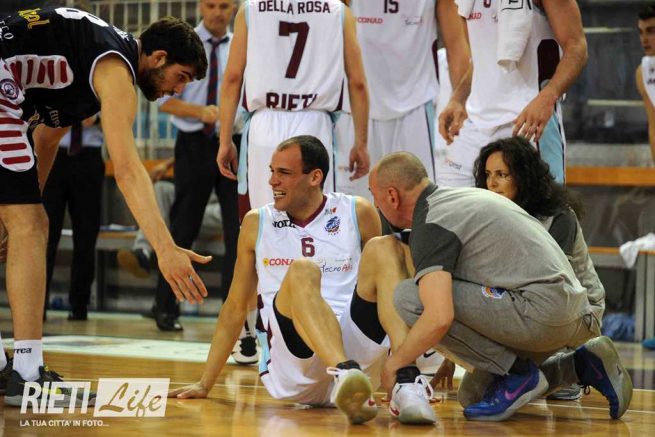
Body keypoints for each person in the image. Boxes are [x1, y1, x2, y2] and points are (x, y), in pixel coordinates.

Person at [0, 7, 209, 407]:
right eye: (180, 77)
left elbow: (47, 138)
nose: (178, 90)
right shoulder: (115, 70)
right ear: (159, 58)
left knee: (25, 220)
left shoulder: (87, 59)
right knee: (31, 224)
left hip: (7, 88)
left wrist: (23, 203)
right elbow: (128, 169)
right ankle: (27, 374)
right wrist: (164, 248)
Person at [170, 136, 439, 425]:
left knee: (386, 247)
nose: (272, 181)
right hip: (295, 363)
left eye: (284, 173)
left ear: (315, 177)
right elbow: (235, 306)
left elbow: (390, 290)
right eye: (272, 171)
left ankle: (406, 381)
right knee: (302, 270)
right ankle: (344, 373)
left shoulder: (357, 211)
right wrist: (205, 382)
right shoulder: (256, 222)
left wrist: (424, 354)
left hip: (356, 349)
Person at [368, 152, 633, 422]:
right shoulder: (455, 201)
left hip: (548, 312)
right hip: (566, 312)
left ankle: (518, 373)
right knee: (474, 395)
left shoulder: (432, 221)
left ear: (392, 196)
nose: (375, 204)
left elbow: (439, 316)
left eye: (374, 196)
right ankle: (582, 365)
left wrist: (395, 364)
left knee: (409, 297)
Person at [470, 136, 606, 401]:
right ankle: (533, 368)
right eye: (487, 175)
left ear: (523, 177)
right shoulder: (491, 215)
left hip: (575, 312)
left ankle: (571, 364)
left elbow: (554, 288)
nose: (492, 183)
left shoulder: (559, 216)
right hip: (524, 303)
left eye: (502, 175)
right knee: (472, 394)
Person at [216, 0, 370, 210]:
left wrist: (225, 141)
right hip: (315, 125)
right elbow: (358, 83)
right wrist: (361, 143)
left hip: (264, 124)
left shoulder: (250, 9)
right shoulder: (339, 12)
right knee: (316, 216)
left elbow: (233, 78)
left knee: (266, 218)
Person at [148, 0, 239, 333]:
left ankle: (233, 313)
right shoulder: (185, 44)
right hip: (193, 144)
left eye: (224, 6)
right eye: (211, 5)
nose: (217, 12)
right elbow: (164, 101)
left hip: (232, 142)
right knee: (183, 226)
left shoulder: (240, 45)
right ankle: (165, 306)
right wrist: (200, 112)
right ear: (201, 6)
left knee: (237, 231)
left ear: (234, 8)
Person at [436, 0, 588, 186]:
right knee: (449, 200)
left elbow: (577, 47)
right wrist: (458, 99)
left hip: (526, 122)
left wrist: (547, 97)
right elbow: (480, 59)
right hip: (475, 124)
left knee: (539, 204)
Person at [334, 0, 469, 197]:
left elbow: (455, 44)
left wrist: (459, 100)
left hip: (414, 105)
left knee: (417, 202)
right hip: (354, 107)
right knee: (356, 205)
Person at [43, 114, 104, 322]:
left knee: (86, 236)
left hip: (89, 156)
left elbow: (122, 114)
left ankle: (80, 306)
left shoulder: (107, 89)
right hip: (53, 153)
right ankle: (36, 305)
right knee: (45, 235)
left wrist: (97, 118)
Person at [636, 3, 655, 162]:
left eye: (651, 31)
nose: (644, 39)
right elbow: (654, 126)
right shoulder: (643, 71)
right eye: (641, 32)